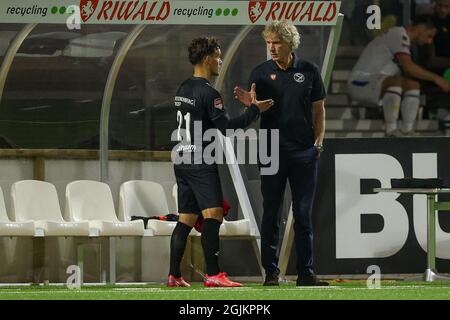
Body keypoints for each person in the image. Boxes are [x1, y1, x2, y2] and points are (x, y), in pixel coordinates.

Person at [168, 37, 274, 288]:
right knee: (214, 214)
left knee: (186, 218)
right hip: (200, 159)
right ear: (207, 59)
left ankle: (174, 275)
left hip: (182, 156)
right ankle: (214, 274)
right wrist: (254, 110)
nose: (220, 61)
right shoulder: (209, 93)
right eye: (217, 56)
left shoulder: (183, 88)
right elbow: (226, 127)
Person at [234, 20, 328, 286]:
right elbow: (251, 115)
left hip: (303, 153)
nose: (272, 48)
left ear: (290, 44)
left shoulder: (309, 71)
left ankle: (306, 274)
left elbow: (319, 110)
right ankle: (271, 274)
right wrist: (250, 107)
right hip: (271, 151)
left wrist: (318, 143)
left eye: (277, 42)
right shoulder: (260, 73)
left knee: (303, 213)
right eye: (269, 43)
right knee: (271, 212)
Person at [348, 15, 450, 137]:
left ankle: (407, 130)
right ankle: (391, 130)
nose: (429, 41)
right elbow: (409, 67)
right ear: (421, 28)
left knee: (413, 85)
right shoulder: (398, 34)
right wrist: (437, 79)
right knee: (396, 82)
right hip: (359, 82)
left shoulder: (404, 41)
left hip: (375, 83)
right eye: (429, 36)